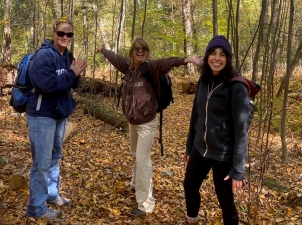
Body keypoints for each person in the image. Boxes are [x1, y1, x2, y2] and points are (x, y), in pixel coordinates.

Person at [97, 37, 199, 218]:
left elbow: (167, 62)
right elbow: (114, 57)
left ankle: (145, 204)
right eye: (137, 48)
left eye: (143, 48)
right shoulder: (128, 67)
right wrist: (103, 50)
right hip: (132, 122)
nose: (140, 51)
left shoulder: (150, 68)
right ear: (132, 51)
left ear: (147, 51)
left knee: (143, 161)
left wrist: (187, 60)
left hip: (146, 123)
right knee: (136, 155)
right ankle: (136, 184)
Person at [26, 18, 87, 221]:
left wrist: (76, 73)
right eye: (61, 33)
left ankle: (51, 194)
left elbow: (73, 83)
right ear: (54, 33)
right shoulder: (44, 56)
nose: (65, 37)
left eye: (69, 34)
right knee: (41, 163)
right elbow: (47, 85)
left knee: (54, 157)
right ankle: (36, 208)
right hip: (42, 115)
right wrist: (71, 73)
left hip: (60, 114)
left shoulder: (66, 56)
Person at [183, 35, 249, 224]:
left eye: (222, 54)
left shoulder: (236, 87)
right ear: (207, 57)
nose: (217, 58)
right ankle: (192, 219)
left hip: (223, 155)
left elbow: (241, 130)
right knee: (189, 185)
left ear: (228, 59)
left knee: (225, 199)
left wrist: (238, 168)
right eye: (213, 53)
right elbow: (195, 116)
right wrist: (189, 146)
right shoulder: (203, 82)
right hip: (201, 148)